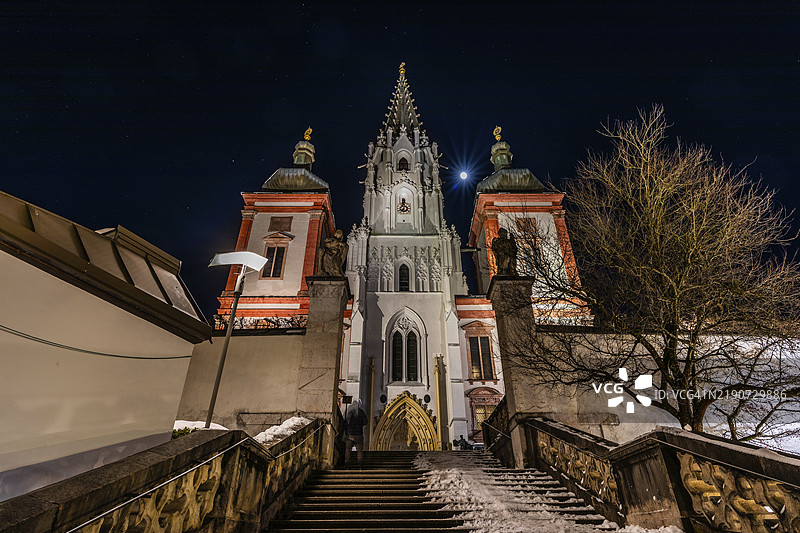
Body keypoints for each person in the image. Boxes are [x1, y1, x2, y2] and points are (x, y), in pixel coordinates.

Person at [344, 399, 367, 465]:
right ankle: (360, 464)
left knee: (348, 449)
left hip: (349, 434)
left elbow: (344, 422)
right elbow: (365, 422)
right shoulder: (361, 412)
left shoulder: (348, 412)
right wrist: (360, 424)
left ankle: (347, 463)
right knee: (359, 450)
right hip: (359, 434)